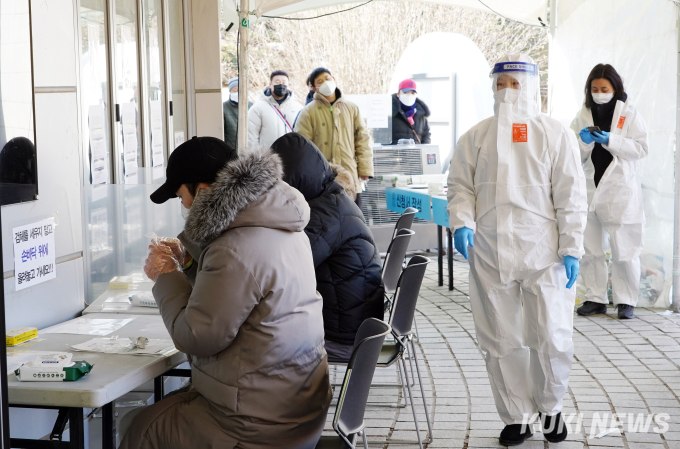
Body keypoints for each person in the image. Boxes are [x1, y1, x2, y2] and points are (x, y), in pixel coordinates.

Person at [121, 136, 331, 449]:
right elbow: (237, 293)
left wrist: (165, 275)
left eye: (182, 198)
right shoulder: (280, 224)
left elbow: (196, 337)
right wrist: (190, 262)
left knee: (139, 426)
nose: (185, 208)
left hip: (254, 424)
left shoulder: (234, 248)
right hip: (294, 404)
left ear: (203, 190)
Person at [447, 54, 587, 446]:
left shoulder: (555, 134)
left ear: (531, 87)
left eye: (515, 83)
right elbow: (460, 187)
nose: (507, 92)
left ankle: (551, 408)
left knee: (552, 335)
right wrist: (461, 222)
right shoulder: (475, 137)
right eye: (500, 84)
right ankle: (517, 416)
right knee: (499, 337)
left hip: (546, 252)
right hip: (491, 251)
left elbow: (572, 195)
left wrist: (573, 246)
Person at [271, 132, 384, 361]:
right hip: (355, 324)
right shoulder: (333, 197)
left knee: (261, 340)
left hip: (344, 337)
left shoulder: (323, 216)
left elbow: (288, 267)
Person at [572, 65, 648, 320]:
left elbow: (641, 148)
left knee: (624, 248)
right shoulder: (583, 114)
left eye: (604, 89)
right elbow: (572, 156)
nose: (599, 94)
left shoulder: (629, 113)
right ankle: (595, 298)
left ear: (615, 88)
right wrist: (583, 141)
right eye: (594, 89)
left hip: (619, 191)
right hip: (590, 189)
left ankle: (626, 301)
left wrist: (611, 141)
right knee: (591, 247)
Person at [294, 67, 373, 208]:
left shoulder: (352, 108)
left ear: (334, 79)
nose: (325, 82)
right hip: (322, 177)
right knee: (326, 219)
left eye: (327, 78)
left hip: (350, 174)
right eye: (320, 81)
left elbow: (363, 139)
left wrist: (365, 169)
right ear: (314, 88)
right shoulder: (308, 112)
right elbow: (301, 147)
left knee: (354, 219)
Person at [247, 70, 302, 153]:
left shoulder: (298, 107)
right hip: (268, 159)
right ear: (270, 84)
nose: (281, 84)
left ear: (288, 85)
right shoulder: (258, 108)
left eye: (284, 82)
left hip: (292, 156)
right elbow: (251, 138)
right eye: (277, 82)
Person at [391, 79, 431, 144]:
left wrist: (423, 151)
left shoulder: (421, 114)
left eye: (412, 93)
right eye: (405, 92)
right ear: (398, 94)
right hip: (396, 153)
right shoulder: (390, 113)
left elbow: (426, 135)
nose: (409, 95)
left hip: (416, 154)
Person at [222, 77, 240, 149]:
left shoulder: (251, 106)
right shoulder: (223, 107)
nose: (237, 92)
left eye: (239, 90)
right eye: (234, 90)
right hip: (230, 148)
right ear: (230, 91)